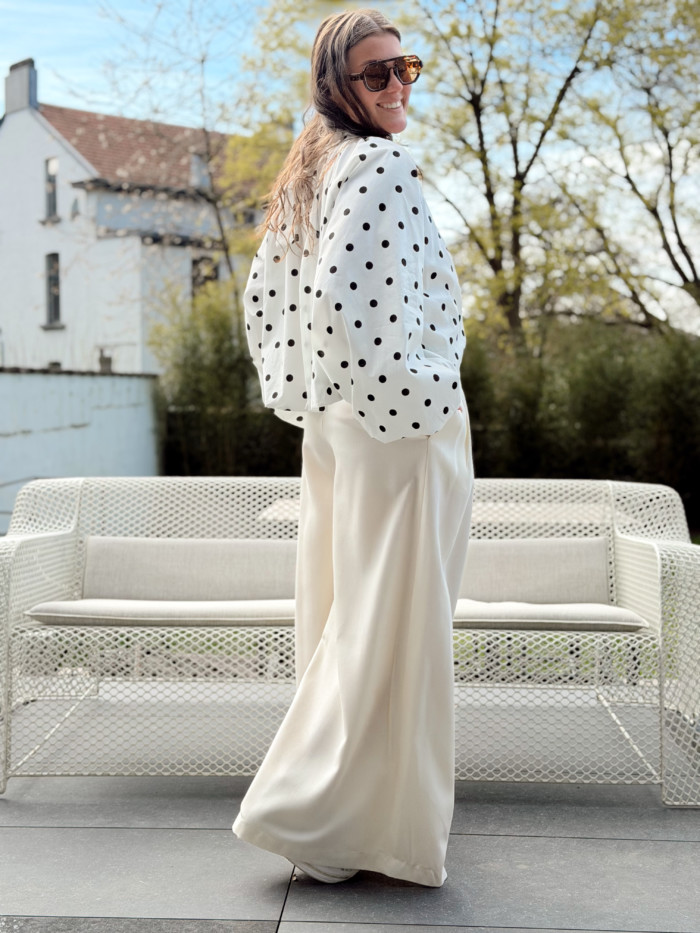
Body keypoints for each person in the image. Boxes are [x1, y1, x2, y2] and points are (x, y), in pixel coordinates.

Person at [232, 8, 473, 888]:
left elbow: (263, 302)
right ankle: (320, 815)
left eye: (406, 67)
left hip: (342, 423)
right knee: (394, 628)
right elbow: (345, 306)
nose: (398, 85)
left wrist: (308, 397)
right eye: (377, 73)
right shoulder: (377, 164)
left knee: (350, 616)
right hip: (395, 426)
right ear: (338, 84)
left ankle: (347, 826)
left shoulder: (312, 170)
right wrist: (421, 396)